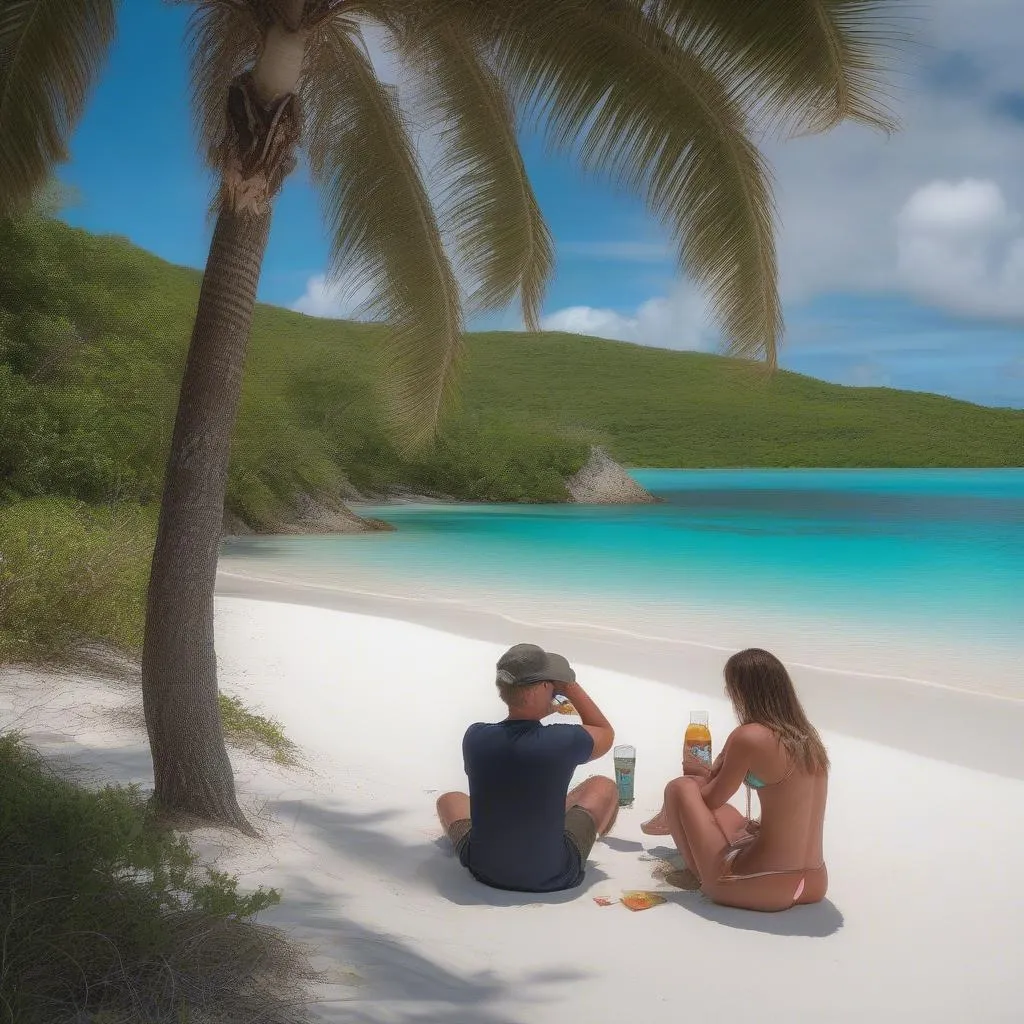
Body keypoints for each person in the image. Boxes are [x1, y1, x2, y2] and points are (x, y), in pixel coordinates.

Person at [643, 648, 829, 912]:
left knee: (680, 787)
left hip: (763, 883)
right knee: (729, 816)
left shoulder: (749, 736)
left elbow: (710, 799)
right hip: (814, 881)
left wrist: (708, 771)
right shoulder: (808, 739)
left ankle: (700, 877)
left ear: (741, 691)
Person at [436, 643, 618, 893]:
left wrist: (539, 708)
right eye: (551, 685)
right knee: (603, 786)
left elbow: (518, 746)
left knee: (449, 799)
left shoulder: (475, 736)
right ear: (542, 687)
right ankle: (583, 836)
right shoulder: (563, 740)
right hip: (553, 873)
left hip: (484, 868)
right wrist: (570, 687)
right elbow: (605, 733)